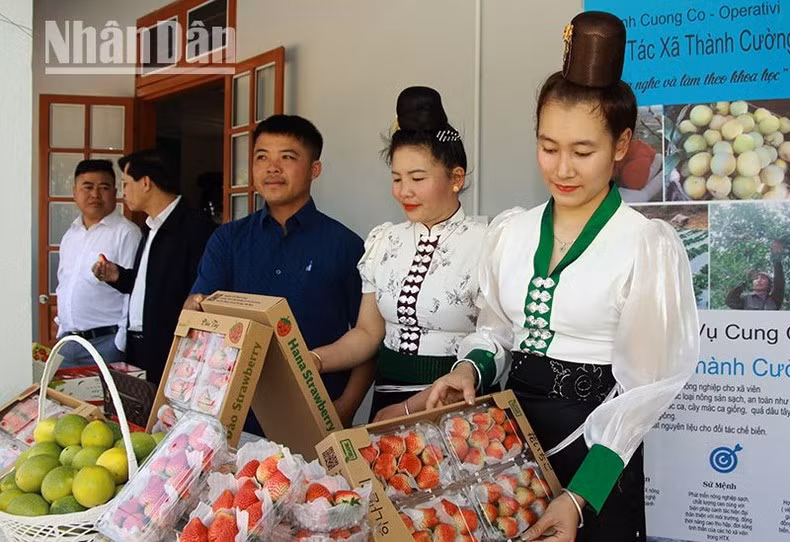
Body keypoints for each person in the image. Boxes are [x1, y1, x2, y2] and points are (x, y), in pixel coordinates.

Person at [424, 12, 699, 542]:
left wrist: (580, 495)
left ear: (621, 146)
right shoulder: (513, 232)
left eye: (583, 151)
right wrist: (471, 370)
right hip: (508, 446)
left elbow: (645, 387)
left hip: (597, 455)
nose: (562, 169)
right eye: (548, 148)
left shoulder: (645, 244)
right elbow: (498, 328)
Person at [310, 86, 490, 422]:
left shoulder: (487, 242)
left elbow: (495, 340)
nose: (403, 191)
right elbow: (367, 334)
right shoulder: (385, 242)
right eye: (396, 178)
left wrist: (410, 408)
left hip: (452, 402)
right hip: (386, 402)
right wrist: (314, 360)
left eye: (417, 178)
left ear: (456, 178)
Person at [183, 115, 371, 427]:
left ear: (314, 169)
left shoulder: (346, 245)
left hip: (315, 411)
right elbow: (201, 314)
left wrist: (345, 408)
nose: (272, 167)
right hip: (235, 412)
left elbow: (368, 337)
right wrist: (194, 310)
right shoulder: (227, 240)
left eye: (287, 157)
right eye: (262, 157)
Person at [92, 150, 217, 385]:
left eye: (127, 184)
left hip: (174, 350)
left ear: (146, 182)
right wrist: (118, 276)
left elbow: (201, 293)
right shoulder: (150, 227)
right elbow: (152, 287)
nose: (124, 192)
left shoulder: (195, 228)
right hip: (138, 346)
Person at [55, 159, 141, 366]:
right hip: (68, 342)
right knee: (65, 399)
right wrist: (61, 329)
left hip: (106, 344)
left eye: (103, 187)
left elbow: (135, 291)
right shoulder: (70, 235)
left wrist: (119, 342)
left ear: (115, 192)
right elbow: (63, 283)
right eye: (87, 187)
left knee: (107, 399)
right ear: (75, 192)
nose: (95, 194)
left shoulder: (127, 233)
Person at [725, 240, 785, 310]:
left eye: (763, 278)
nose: (759, 280)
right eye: (756, 278)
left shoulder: (774, 299)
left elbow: (779, 281)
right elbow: (730, 301)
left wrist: (776, 256)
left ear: (769, 283)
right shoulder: (745, 299)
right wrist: (746, 280)